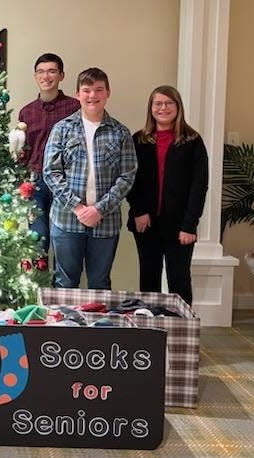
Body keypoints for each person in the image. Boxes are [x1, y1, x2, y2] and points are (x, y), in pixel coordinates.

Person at [43, 67, 137, 289]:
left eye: (98, 90)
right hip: (66, 220)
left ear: (107, 93)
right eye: (86, 90)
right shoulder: (62, 129)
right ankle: (65, 325)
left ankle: (98, 325)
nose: (92, 96)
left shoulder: (120, 132)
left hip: (106, 223)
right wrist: (77, 207)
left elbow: (127, 175)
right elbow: (51, 172)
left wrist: (99, 209)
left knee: (99, 283)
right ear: (78, 94)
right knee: (64, 282)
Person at [127, 86, 208, 305]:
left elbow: (199, 186)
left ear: (177, 106)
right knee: (148, 278)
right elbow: (130, 180)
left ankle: (180, 332)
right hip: (146, 223)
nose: (163, 108)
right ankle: (150, 332)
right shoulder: (139, 140)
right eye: (158, 104)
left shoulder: (192, 141)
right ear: (151, 108)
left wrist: (190, 225)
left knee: (179, 280)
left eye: (168, 103)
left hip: (180, 225)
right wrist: (139, 210)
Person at [18, 53, 80, 260]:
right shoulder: (27, 112)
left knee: (63, 242)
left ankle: (59, 289)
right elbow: (23, 150)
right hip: (36, 186)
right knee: (38, 239)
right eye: (41, 72)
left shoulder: (75, 108)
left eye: (52, 71)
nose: (46, 76)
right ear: (35, 76)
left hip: (67, 184)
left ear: (61, 75)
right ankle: (38, 288)